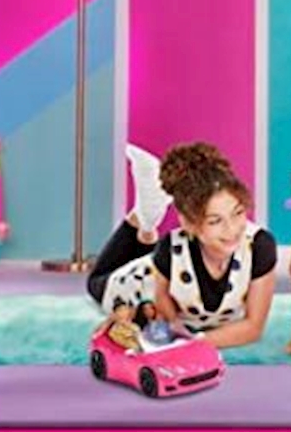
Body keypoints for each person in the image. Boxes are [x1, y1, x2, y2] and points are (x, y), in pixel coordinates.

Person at [86, 142, 277, 349]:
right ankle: (144, 220)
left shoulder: (259, 245)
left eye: (238, 213)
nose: (232, 229)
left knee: (156, 255)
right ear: (189, 224)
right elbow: (163, 304)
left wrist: (193, 342)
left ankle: (147, 225)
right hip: (139, 283)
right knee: (95, 284)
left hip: (163, 264)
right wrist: (174, 328)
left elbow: (253, 327)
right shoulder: (170, 249)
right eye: (215, 221)